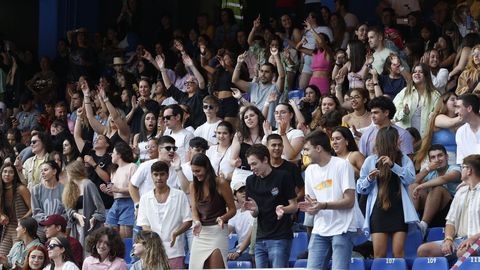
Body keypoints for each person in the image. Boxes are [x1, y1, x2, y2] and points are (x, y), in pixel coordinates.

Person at [299, 130, 364, 269]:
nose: (305, 154)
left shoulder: (343, 165)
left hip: (343, 227)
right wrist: (311, 208)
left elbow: (349, 201)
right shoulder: (309, 171)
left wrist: (323, 205)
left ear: (318, 148)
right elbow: (313, 202)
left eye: (307, 149)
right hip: (320, 228)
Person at [357, 127, 417, 258]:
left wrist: (393, 165)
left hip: (399, 210)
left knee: (398, 253)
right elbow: (360, 188)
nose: (400, 141)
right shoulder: (370, 160)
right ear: (391, 141)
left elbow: (411, 179)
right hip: (378, 211)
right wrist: (369, 178)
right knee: (379, 254)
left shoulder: (404, 159)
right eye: (397, 139)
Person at [243, 144, 297, 268]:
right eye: (250, 165)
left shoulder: (283, 176)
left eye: (254, 164)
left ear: (265, 160)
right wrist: (255, 210)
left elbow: (294, 206)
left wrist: (283, 209)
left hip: (280, 236)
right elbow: (254, 213)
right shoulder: (250, 181)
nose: (252, 168)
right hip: (260, 237)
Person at [417, 154, 480, 258]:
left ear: (469, 170)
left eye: (463, 167)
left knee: (462, 252)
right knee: (423, 250)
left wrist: (473, 239)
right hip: (460, 240)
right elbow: (450, 221)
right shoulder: (460, 192)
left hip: (477, 240)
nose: (461, 170)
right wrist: (448, 239)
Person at [137, 161, 192, 269]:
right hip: (152, 252)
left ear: (168, 175)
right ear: (151, 175)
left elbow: (188, 221)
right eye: (156, 174)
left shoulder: (179, 195)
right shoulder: (144, 198)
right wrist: (154, 240)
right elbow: (144, 223)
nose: (159, 178)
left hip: (174, 250)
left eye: (162, 174)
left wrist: (176, 233)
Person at [189, 153, 236, 269]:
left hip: (218, 231)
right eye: (193, 171)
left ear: (206, 167)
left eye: (198, 171)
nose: (196, 174)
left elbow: (232, 209)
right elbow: (194, 210)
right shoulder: (193, 185)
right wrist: (197, 222)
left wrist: (222, 218)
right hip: (201, 233)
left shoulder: (221, 183)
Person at [410, 144, 461, 238]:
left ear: (446, 156)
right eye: (433, 157)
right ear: (430, 161)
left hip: (451, 209)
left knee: (438, 188)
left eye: (440, 155)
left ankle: (423, 225)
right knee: (413, 186)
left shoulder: (455, 169)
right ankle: (412, 222)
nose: (437, 159)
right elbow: (412, 182)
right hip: (433, 208)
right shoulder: (431, 172)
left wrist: (421, 186)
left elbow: (444, 179)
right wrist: (427, 169)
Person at [232, 47, 285, 124]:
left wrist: (276, 56)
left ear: (273, 75)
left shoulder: (275, 87)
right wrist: (239, 63)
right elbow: (235, 80)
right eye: (261, 71)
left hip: (271, 126)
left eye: (266, 72)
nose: (263, 74)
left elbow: (282, 76)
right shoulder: (253, 86)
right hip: (255, 126)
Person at [62, 160, 105, 245]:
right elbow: (68, 208)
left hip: (89, 222)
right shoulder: (71, 187)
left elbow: (99, 207)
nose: (67, 175)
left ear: (73, 172)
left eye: (68, 173)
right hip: (77, 223)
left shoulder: (88, 184)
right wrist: (76, 215)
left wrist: (94, 217)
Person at [414, 92, 461, 170]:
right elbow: (450, 122)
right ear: (444, 103)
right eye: (453, 99)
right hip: (436, 159)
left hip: (455, 161)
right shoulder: (437, 117)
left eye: (458, 100)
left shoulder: (461, 122)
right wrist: (469, 113)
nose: (456, 101)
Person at [393, 63, 441, 136]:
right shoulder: (405, 92)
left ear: (426, 75)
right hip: (403, 137)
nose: (417, 74)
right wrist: (404, 112)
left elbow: (437, 117)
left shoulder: (435, 95)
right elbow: (394, 115)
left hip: (424, 138)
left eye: (420, 72)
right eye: (415, 72)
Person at [105, 142, 137, 239]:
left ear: (119, 154)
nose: (112, 155)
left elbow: (135, 189)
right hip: (116, 202)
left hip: (129, 202)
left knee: (125, 236)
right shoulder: (114, 170)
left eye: (113, 153)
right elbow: (115, 192)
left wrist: (117, 189)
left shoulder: (132, 166)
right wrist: (108, 191)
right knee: (108, 231)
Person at [0, 163, 32, 256]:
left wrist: (23, 219)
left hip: (22, 228)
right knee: (2, 256)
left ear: (14, 175)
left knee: (16, 256)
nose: (7, 174)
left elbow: (33, 208)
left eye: (11, 172)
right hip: (8, 227)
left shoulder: (21, 188)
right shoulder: (1, 190)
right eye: (5, 172)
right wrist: (1, 215)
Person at [31, 161, 66, 241]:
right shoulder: (36, 189)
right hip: (41, 229)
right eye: (41, 171)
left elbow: (67, 211)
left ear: (54, 171)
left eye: (45, 170)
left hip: (58, 229)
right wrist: (48, 220)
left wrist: (55, 222)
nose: (42, 173)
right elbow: (36, 212)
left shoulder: (64, 189)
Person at [266, 134, 305, 202]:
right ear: (267, 147)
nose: (277, 148)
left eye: (280, 145)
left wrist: (291, 203)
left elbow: (302, 191)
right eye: (273, 145)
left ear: (283, 147)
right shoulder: (264, 168)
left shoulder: (292, 167)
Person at [227, 181, 253, 262]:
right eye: (240, 191)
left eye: (246, 190)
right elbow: (226, 231)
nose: (244, 193)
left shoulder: (254, 211)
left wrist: (238, 252)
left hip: (251, 250)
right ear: (235, 196)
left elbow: (251, 235)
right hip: (239, 249)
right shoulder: (235, 214)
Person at [455, 94, 480, 164]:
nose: (456, 112)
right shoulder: (460, 132)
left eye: (458, 107)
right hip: (471, 173)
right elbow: (461, 163)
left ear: (469, 108)